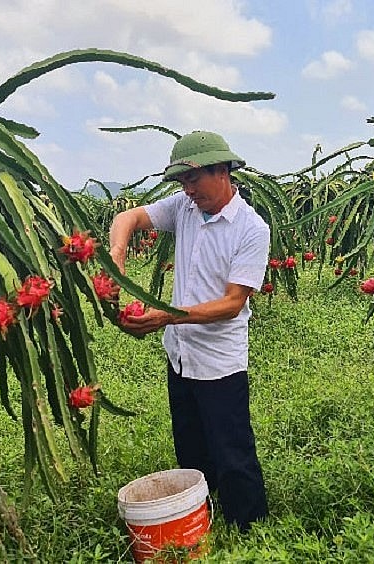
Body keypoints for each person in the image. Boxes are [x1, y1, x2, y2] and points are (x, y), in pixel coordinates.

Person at [108, 130, 270, 531]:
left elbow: (233, 303)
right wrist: (117, 254)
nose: (187, 190)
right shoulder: (184, 208)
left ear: (222, 170)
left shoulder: (251, 229)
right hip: (180, 354)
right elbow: (128, 217)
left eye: (193, 179)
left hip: (219, 361)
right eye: (181, 182)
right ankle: (203, 512)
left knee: (232, 449)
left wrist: (164, 315)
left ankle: (249, 525)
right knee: (192, 444)